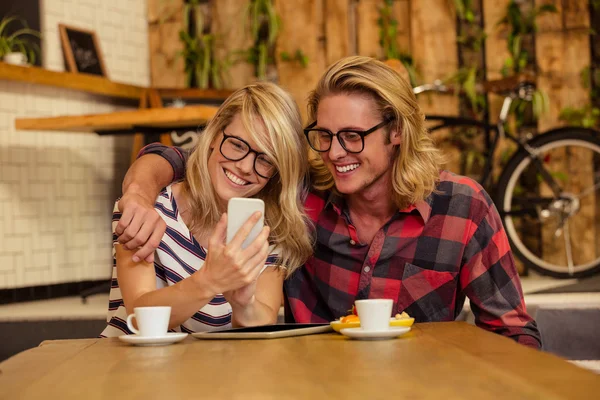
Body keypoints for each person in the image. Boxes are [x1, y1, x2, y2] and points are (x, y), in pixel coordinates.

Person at [115, 56, 541, 348]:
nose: (335, 153)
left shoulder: (462, 209)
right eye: (324, 135)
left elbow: (513, 332)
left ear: (396, 133)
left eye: (353, 136)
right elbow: (199, 163)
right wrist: (137, 193)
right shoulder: (302, 196)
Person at [100, 82, 313, 336]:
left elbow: (263, 317)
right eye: (237, 145)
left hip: (204, 374)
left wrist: (243, 305)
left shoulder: (268, 233)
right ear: (214, 136)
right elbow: (140, 314)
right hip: (128, 369)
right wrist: (209, 280)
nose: (245, 166)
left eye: (265, 159)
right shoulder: (149, 208)